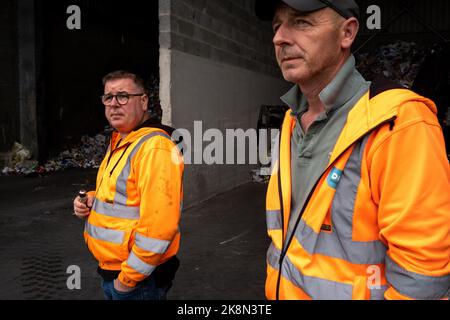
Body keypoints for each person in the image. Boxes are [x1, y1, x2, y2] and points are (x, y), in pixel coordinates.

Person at [255, 0, 450, 300]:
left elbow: (421, 278)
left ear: (347, 33)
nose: (279, 37)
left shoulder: (399, 124)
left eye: (301, 22)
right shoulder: (291, 122)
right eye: (277, 25)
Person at [73, 70, 184, 300]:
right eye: (108, 97)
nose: (114, 104)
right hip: (114, 271)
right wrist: (92, 199)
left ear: (143, 101)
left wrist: (127, 282)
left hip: (138, 282)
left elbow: (159, 228)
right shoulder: (121, 140)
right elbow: (122, 193)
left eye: (123, 96)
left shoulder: (154, 147)